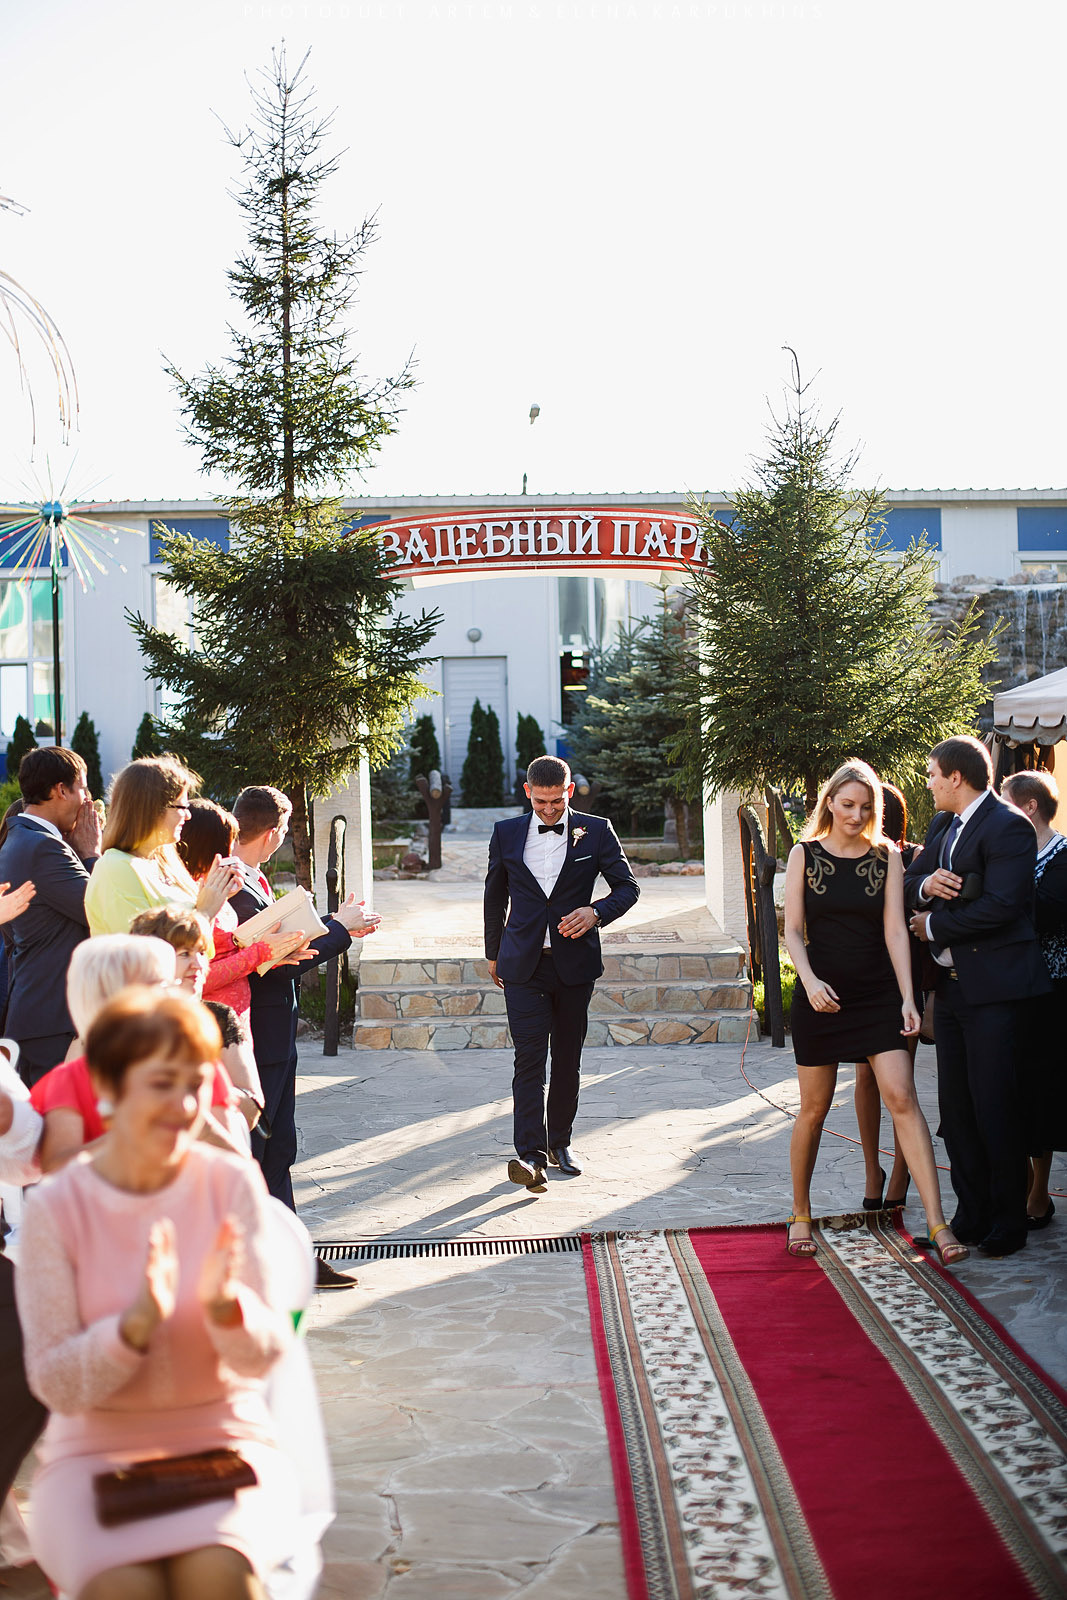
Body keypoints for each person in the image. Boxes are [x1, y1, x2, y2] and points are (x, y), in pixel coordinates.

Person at [15, 987, 298, 1600]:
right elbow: (55, 1382)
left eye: (198, 1084)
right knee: (123, 1590)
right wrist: (133, 1329)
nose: (185, 1105)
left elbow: (268, 1354)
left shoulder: (229, 1184)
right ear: (110, 1091)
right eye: (162, 1084)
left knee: (220, 1580)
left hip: (221, 1440)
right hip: (96, 1456)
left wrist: (227, 1310)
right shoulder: (57, 1208)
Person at [784, 760, 967, 1263]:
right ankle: (800, 1213)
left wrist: (908, 998)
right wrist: (810, 980)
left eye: (866, 807)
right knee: (814, 1110)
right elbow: (793, 931)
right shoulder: (805, 853)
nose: (856, 814)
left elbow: (894, 931)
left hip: (876, 996)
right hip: (820, 995)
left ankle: (938, 1224)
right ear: (829, 803)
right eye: (847, 805)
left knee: (903, 1097)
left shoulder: (886, 855)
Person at [905, 735, 1050, 1259]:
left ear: (956, 778)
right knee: (958, 1110)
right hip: (954, 992)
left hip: (999, 992)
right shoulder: (943, 824)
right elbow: (910, 881)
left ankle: (1008, 1220)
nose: (928, 782)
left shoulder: (1008, 826)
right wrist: (926, 890)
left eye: (932, 774)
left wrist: (934, 923)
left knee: (997, 1107)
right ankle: (971, 1214)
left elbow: (1004, 906)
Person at [229, 786, 378, 1272]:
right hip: (260, 1033)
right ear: (273, 833)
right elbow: (278, 961)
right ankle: (271, 1262)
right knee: (264, 1147)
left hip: (274, 1030)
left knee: (278, 1145)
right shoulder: (233, 885)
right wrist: (340, 926)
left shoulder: (250, 878)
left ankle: (290, 1257)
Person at [483, 755, 640, 1192]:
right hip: (523, 965)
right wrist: (493, 953)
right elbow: (494, 898)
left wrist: (596, 912)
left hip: (574, 965)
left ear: (569, 791)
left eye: (556, 801)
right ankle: (529, 1157)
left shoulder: (598, 829)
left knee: (568, 1058)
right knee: (529, 1060)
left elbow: (629, 887)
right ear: (527, 793)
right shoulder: (506, 833)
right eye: (540, 802)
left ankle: (561, 1143)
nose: (549, 809)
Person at [30, 934, 247, 1172]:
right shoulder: (70, 1080)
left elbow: (239, 1166)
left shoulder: (194, 1066)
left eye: (167, 985)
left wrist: (197, 1123)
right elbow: (55, 1170)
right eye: (158, 986)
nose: (170, 994)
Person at [0, 745, 100, 1083]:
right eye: (84, 788)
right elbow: (99, 911)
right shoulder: (44, 846)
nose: (88, 800)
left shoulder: (21, 838)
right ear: (61, 790)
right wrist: (90, 854)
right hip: (51, 1019)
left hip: (36, 1014)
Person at [128, 905, 267, 1139]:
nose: (199, 965)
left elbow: (252, 1110)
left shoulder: (219, 1018)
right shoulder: (119, 1025)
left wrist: (197, 1083)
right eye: (184, 954)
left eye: (202, 953)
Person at [853, 781, 926, 1213]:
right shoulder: (846, 857)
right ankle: (871, 1171)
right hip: (861, 983)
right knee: (863, 1080)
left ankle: (900, 1175)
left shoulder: (911, 858)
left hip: (901, 985)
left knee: (902, 1087)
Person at [1001, 768, 1067, 1229]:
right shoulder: (1009, 854)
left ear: (1028, 808)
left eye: (1004, 804)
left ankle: (1038, 1193)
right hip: (1011, 989)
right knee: (1010, 1090)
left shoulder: (1063, 856)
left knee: (1042, 1091)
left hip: (1052, 994)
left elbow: (1041, 916)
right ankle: (1022, 1186)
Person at [177, 798, 308, 1022]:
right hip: (209, 1021)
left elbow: (232, 949)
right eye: (226, 845)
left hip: (238, 1016)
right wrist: (260, 953)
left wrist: (276, 953)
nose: (232, 853)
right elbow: (198, 974)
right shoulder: (181, 897)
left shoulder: (214, 887)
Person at [84, 756, 242, 938]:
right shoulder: (115, 868)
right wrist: (205, 912)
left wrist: (217, 894)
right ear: (151, 809)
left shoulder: (166, 863)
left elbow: (201, 950)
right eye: (181, 806)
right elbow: (143, 951)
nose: (188, 815)